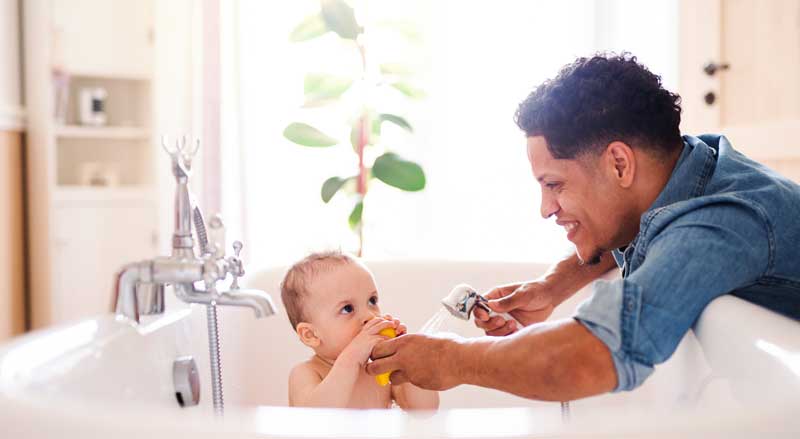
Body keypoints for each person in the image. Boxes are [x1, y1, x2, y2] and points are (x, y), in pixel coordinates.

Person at [366, 53, 800, 399]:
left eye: (554, 184)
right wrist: (554, 285)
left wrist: (451, 360)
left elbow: (592, 359)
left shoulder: (721, 221)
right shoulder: (692, 168)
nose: (545, 208)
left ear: (618, 163)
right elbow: (646, 223)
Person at [281, 250, 439, 409]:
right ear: (311, 335)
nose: (370, 315)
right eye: (347, 309)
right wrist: (351, 358)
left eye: (372, 301)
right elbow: (314, 420)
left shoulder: (379, 370)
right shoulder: (306, 373)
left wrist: (405, 361)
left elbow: (425, 409)